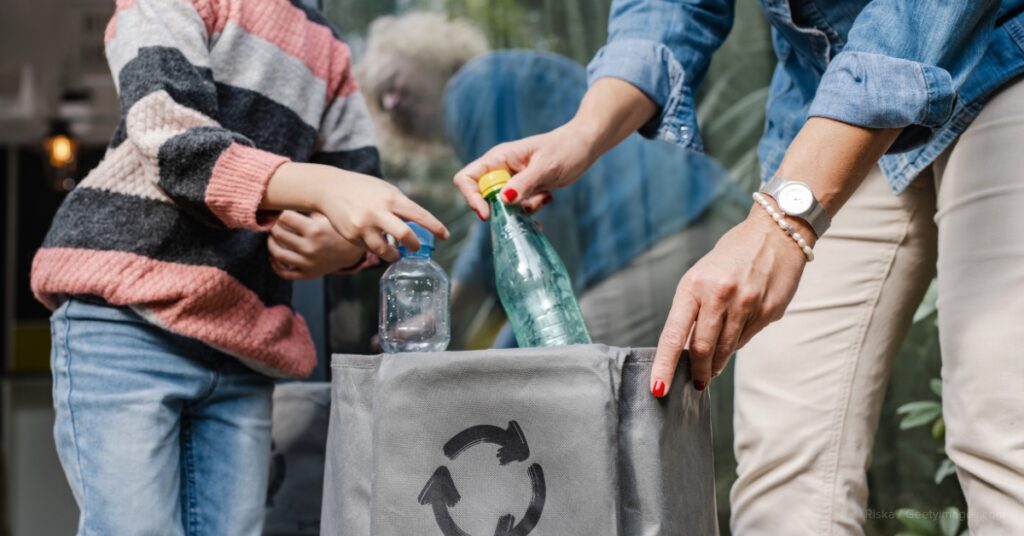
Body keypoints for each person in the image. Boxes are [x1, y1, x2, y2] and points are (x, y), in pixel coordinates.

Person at [453, 1, 1024, 534]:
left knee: (1001, 432)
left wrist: (782, 222)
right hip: (829, 90)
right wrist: (583, 133)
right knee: (784, 464)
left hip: (1000, 57)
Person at [30, 0, 446, 534]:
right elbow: (171, 139)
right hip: (126, 322)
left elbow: (359, 185)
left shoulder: (329, 47)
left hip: (241, 347)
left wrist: (342, 246)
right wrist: (323, 188)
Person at [445, 49, 746, 348]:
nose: (396, 103)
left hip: (650, 245)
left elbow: (529, 243)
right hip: (718, 212)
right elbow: (499, 224)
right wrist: (448, 311)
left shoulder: (475, 90)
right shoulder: (518, 70)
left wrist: (479, 340)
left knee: (569, 373)